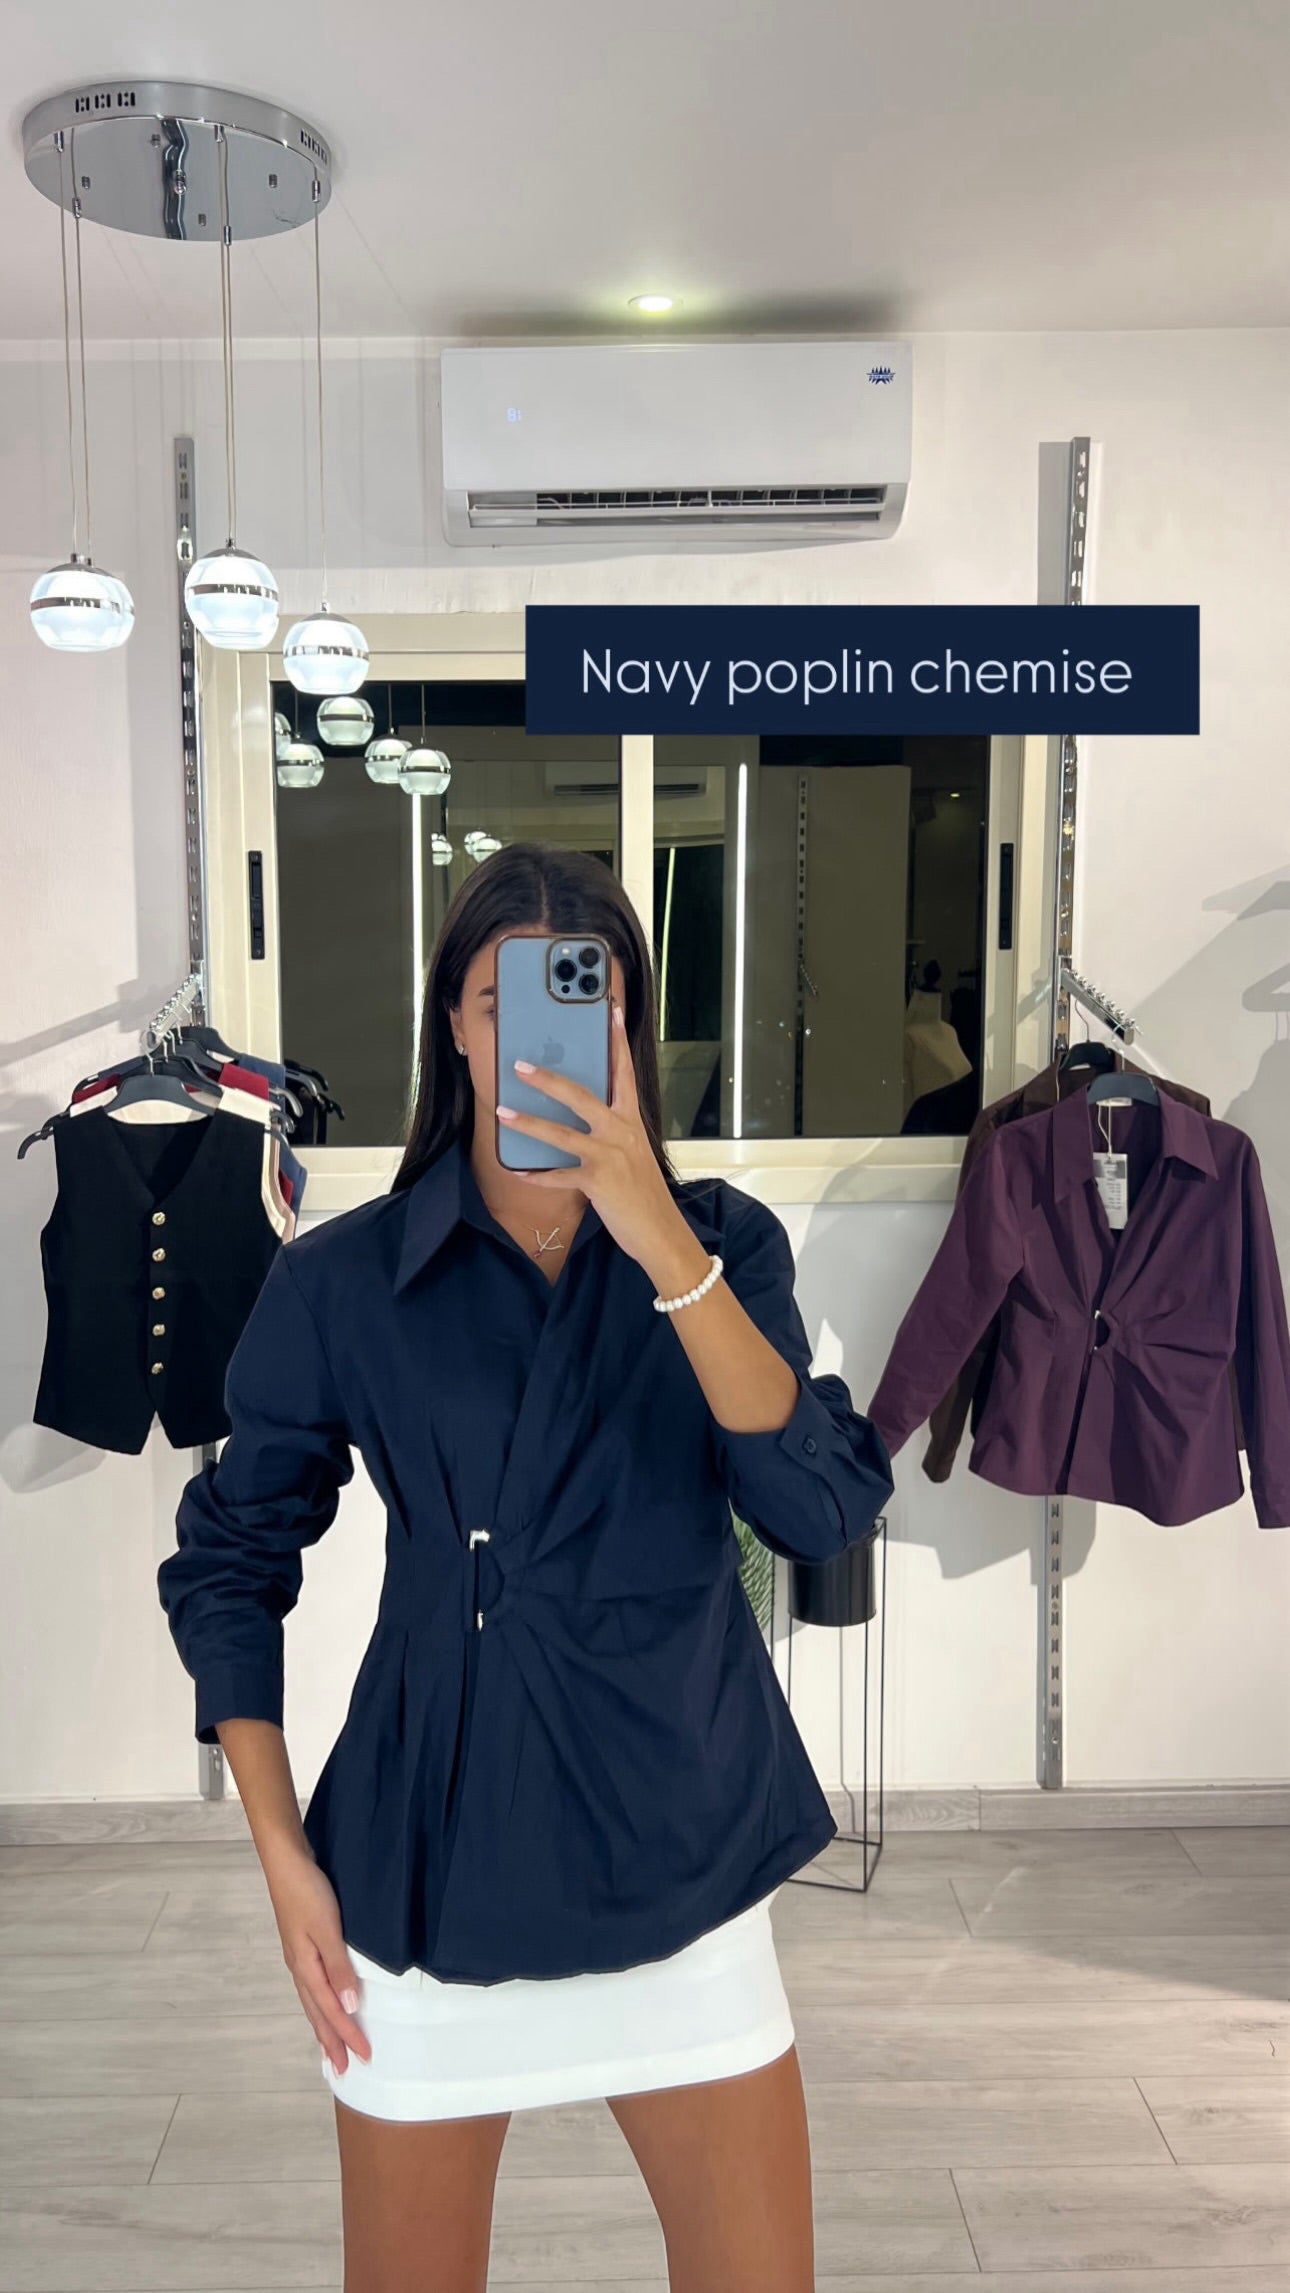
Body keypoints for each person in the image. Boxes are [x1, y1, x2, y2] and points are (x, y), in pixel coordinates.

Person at [158, 842, 891, 2293]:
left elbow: (816, 1509)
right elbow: (231, 1558)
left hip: (680, 1850)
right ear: (455, 1021)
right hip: (432, 1860)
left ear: (628, 1025)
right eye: (503, 1002)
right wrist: (282, 1858)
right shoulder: (345, 1280)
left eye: (583, 999)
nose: (538, 1037)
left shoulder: (721, 1246)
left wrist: (658, 1239)